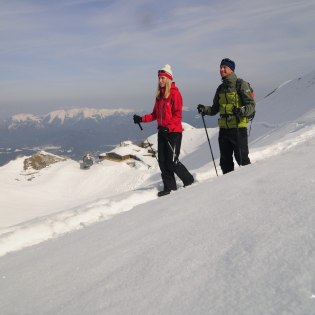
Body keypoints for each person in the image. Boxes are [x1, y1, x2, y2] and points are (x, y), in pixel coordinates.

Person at [133, 64, 194, 197]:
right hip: (162, 132)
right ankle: (170, 188)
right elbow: (155, 114)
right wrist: (141, 119)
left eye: (162, 78)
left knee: (172, 161)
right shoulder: (159, 96)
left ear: (168, 79)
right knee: (162, 161)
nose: (160, 80)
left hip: (173, 133)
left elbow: (178, 116)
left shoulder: (175, 94)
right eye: (159, 78)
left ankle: (189, 180)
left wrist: (169, 127)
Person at [197, 58, 255, 174]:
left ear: (231, 70)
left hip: (238, 128)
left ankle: (250, 186)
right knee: (225, 162)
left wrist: (241, 111)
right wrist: (205, 109)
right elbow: (215, 109)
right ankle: (228, 189)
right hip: (224, 130)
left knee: (242, 160)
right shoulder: (220, 88)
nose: (221, 69)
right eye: (220, 67)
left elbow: (251, 105)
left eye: (224, 67)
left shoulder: (241, 84)